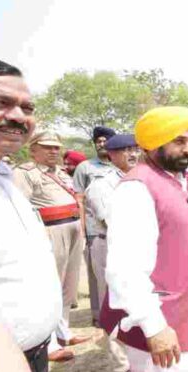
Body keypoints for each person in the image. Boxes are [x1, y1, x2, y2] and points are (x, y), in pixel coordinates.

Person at [100, 106, 188, 372]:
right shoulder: (136, 189)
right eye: (179, 141)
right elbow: (125, 269)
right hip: (164, 324)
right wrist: (153, 326)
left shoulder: (177, 181)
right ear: (153, 142)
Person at [0, 52, 61, 372]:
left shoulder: (1, 176)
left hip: (31, 355)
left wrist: (47, 337)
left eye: (27, 107)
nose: (19, 117)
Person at [13, 131, 91, 362]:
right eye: (47, 147)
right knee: (50, 287)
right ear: (33, 149)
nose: (53, 152)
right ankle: (49, 344)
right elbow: (20, 206)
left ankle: (64, 332)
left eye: (56, 148)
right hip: (50, 231)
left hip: (73, 228)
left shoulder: (62, 174)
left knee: (69, 285)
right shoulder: (25, 173)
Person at [84, 134, 139, 372]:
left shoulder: (140, 179)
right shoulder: (100, 184)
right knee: (114, 304)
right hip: (109, 246)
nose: (133, 154)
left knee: (136, 300)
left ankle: (139, 358)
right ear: (112, 154)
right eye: (126, 150)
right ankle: (122, 364)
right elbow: (110, 220)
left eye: (135, 149)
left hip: (136, 246)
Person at [72, 126, 115, 324]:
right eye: (98, 141)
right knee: (96, 275)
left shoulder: (119, 165)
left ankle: (117, 312)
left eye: (106, 140)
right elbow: (78, 200)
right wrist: (83, 229)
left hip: (118, 229)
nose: (102, 144)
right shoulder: (85, 167)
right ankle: (99, 316)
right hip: (95, 230)